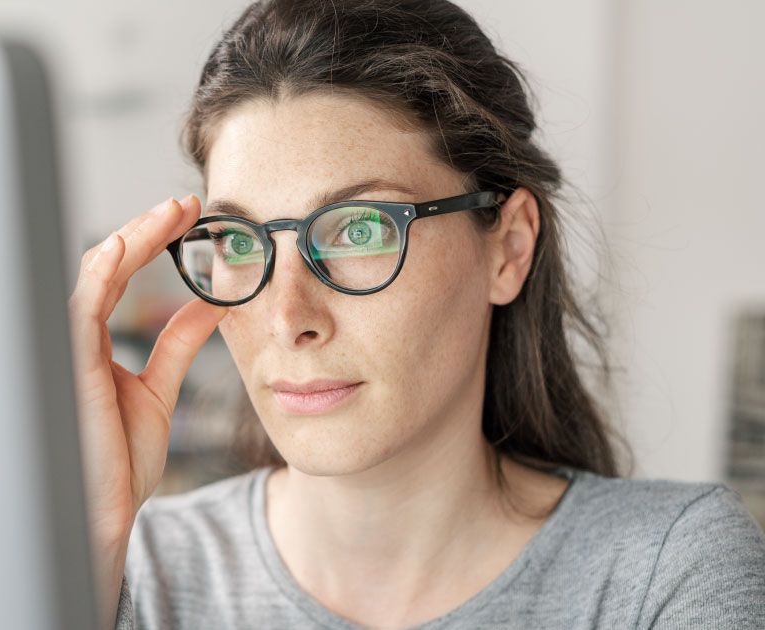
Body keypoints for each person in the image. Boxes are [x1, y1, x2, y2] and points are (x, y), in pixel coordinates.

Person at [67, 1, 765, 628]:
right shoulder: (132, 571)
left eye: (360, 229)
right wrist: (90, 544)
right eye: (241, 242)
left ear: (509, 247)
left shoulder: (665, 573)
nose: (287, 317)